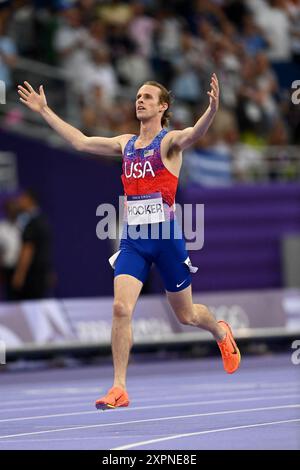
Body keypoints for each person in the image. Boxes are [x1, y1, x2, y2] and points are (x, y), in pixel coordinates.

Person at [17, 73, 241, 410]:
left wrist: (210, 110)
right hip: (134, 239)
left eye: (148, 97)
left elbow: (195, 134)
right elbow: (80, 141)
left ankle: (220, 331)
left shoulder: (169, 143)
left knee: (187, 315)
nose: (140, 100)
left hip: (165, 239)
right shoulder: (125, 144)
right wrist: (45, 111)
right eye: (138, 96)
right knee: (121, 308)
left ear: (162, 106)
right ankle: (119, 387)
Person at [12, 189, 52, 300]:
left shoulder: (32, 223)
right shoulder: (43, 220)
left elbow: (28, 249)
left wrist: (20, 274)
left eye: (22, 198)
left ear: (30, 200)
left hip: (32, 276)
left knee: (31, 308)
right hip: (41, 273)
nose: (19, 201)